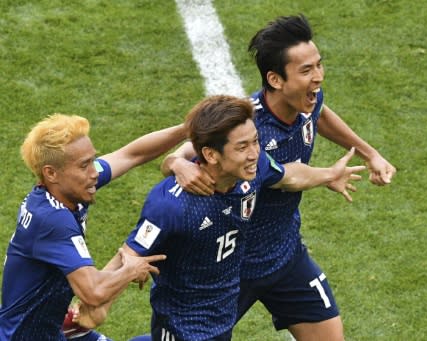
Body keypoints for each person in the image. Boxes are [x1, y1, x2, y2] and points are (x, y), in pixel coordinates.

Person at [161, 14, 396, 341]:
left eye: (319, 65)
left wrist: (369, 153)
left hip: (284, 256)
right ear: (275, 80)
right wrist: (176, 163)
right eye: (306, 71)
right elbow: (188, 151)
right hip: (229, 269)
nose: (318, 78)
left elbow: (320, 115)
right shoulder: (245, 125)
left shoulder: (307, 100)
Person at [122, 95, 365, 341]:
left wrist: (327, 175)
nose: (253, 154)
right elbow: (130, 253)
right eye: (242, 147)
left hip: (249, 285)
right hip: (187, 324)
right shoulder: (172, 204)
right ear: (212, 154)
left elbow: (288, 176)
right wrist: (100, 295)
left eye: (256, 142)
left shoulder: (255, 167)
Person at [0, 113, 187, 341]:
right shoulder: (52, 221)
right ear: (51, 173)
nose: (94, 173)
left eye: (92, 161)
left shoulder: (64, 190)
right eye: (84, 165)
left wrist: (188, 130)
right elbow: (94, 292)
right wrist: (130, 270)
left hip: (49, 331)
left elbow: (132, 154)